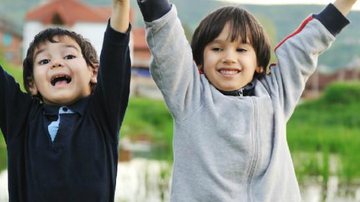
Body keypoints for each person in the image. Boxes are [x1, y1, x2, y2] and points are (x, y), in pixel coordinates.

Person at [136, 0, 357, 201]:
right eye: (216, 48)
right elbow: (168, 43)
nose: (229, 57)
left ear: (259, 63)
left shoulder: (275, 96)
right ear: (200, 61)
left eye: (242, 49)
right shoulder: (189, 97)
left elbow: (305, 46)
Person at [0, 0, 131, 201]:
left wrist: (121, 5)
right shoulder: (22, 120)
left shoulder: (102, 114)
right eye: (44, 61)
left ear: (93, 71)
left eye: (69, 56)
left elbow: (115, 50)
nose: (57, 62)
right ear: (32, 83)